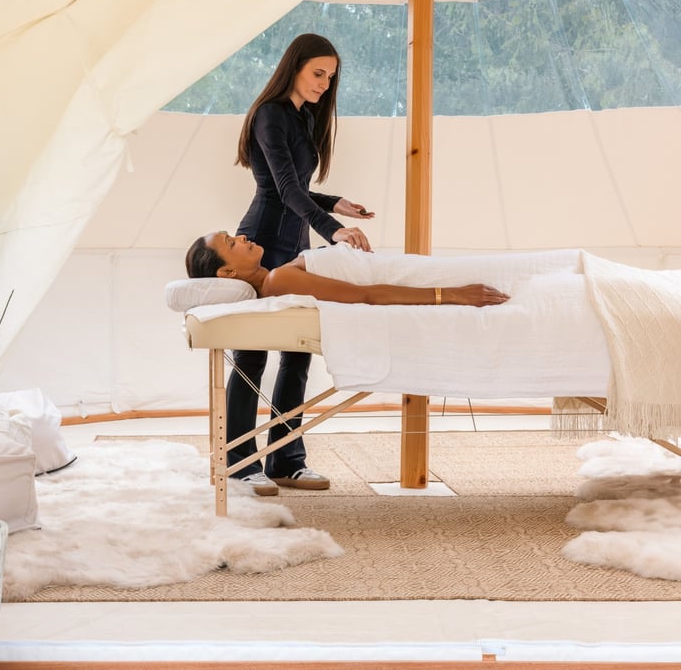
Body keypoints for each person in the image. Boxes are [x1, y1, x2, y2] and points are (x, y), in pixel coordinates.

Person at [225, 33, 376, 497]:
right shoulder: (270, 115)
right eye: (318, 73)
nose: (325, 84)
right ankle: (239, 462)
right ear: (293, 67)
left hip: (296, 243)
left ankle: (286, 459)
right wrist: (332, 229)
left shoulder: (304, 116)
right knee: (252, 354)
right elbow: (283, 190)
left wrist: (336, 202)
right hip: (263, 240)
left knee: (298, 352)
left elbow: (298, 187)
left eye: (330, 78)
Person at [185, 231, 510, 308]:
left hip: (408, 270)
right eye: (231, 243)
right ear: (227, 273)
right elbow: (365, 294)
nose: (241, 236)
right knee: (514, 276)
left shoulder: (278, 277)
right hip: (417, 278)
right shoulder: (278, 280)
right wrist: (453, 293)